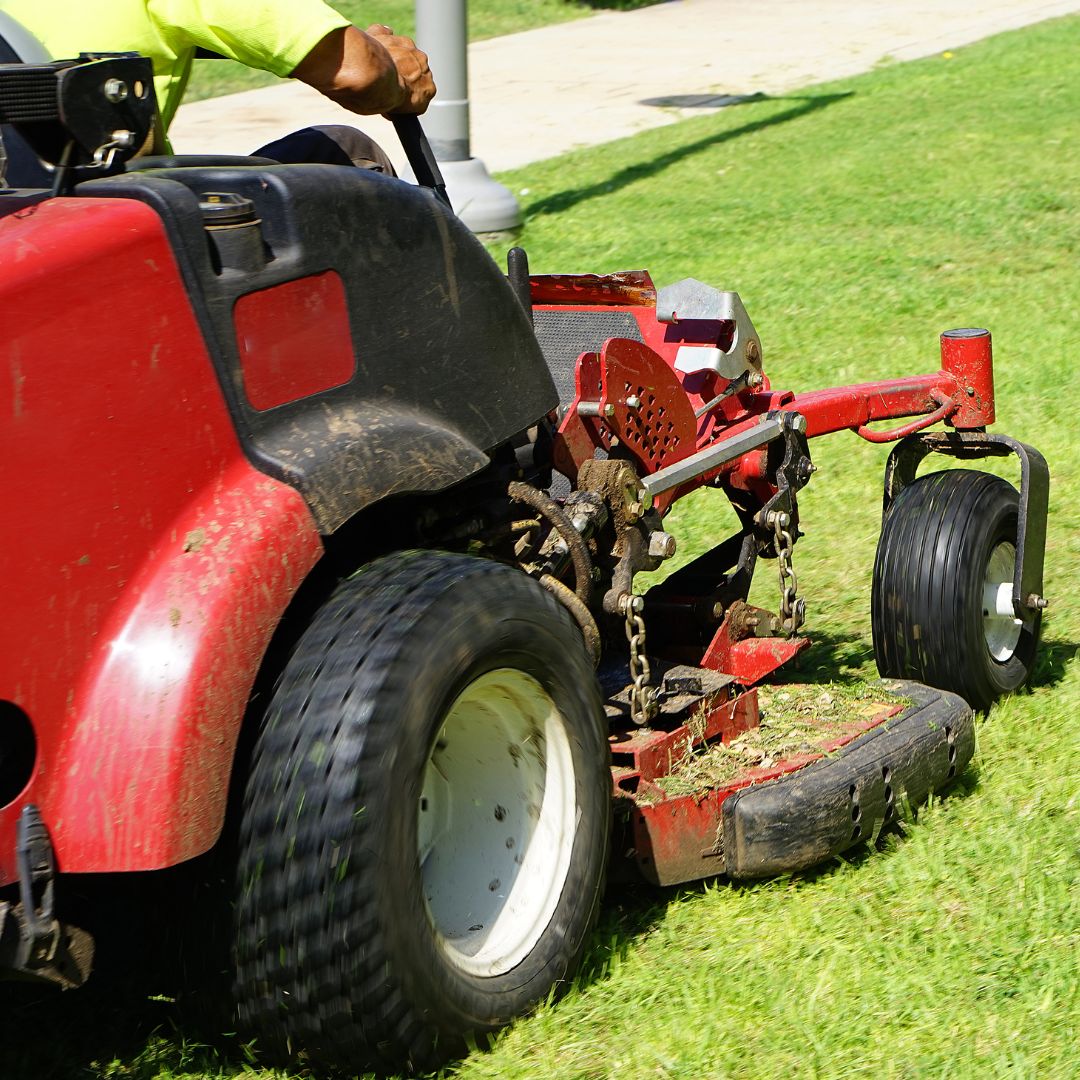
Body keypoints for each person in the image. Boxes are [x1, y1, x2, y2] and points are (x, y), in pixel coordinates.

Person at [0, 0, 434, 171]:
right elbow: (358, 73)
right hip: (111, 229)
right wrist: (397, 74)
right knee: (342, 152)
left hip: (20, 221)